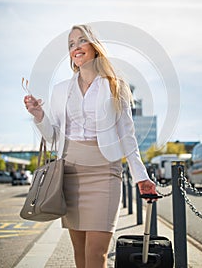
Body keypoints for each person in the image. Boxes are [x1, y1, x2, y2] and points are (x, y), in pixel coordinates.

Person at [24, 24, 157, 268]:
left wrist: (141, 176)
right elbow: (53, 137)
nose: (75, 47)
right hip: (70, 172)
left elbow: (128, 136)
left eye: (81, 41)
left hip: (105, 172)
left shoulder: (116, 85)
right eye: (71, 44)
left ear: (95, 47)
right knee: (80, 256)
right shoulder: (60, 90)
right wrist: (39, 115)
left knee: (96, 256)